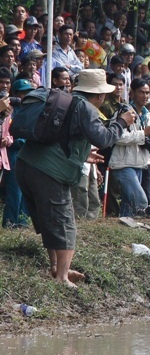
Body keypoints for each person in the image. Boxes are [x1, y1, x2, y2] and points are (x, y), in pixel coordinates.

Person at [15, 69, 137, 286]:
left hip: (26, 165)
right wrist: (122, 122)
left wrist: (82, 153)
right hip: (48, 171)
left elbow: (62, 136)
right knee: (64, 222)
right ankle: (62, 277)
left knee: (48, 218)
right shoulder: (86, 108)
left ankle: (56, 268)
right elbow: (104, 138)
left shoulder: (66, 101)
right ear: (99, 95)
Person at [108, 79, 150, 217]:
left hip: (139, 163)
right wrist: (144, 133)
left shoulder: (146, 115)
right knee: (140, 201)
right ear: (132, 93)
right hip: (123, 164)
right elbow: (117, 137)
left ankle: (125, 231)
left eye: (148, 93)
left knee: (128, 204)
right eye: (141, 92)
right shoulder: (123, 112)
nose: (145, 96)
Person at [2, 77, 32, 228]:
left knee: (26, 189)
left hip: (28, 154)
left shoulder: (31, 109)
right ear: (15, 93)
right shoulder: (9, 109)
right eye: (21, 93)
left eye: (28, 93)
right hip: (12, 153)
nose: (24, 96)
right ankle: (10, 221)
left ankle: (23, 221)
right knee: (15, 191)